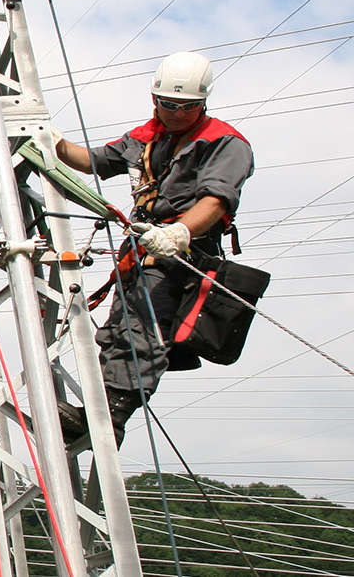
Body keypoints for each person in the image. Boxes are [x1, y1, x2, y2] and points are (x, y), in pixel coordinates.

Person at [53, 51, 255, 445]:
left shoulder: (223, 142)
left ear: (203, 103)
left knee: (142, 333)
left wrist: (178, 233)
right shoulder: (146, 138)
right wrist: (52, 141)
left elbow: (215, 201)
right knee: (116, 331)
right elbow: (92, 161)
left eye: (188, 107)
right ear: (154, 100)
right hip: (142, 252)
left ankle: (111, 416)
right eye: (169, 105)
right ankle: (98, 408)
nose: (178, 113)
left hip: (182, 254)